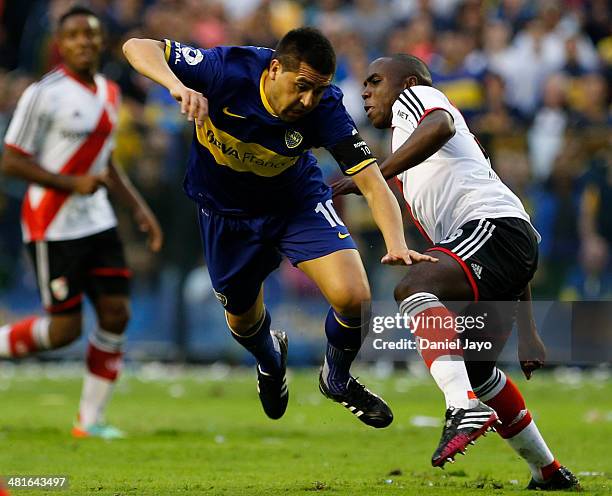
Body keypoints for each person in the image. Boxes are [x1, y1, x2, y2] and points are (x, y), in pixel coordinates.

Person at [122, 28, 435, 427]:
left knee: (354, 296)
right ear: (273, 69)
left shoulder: (325, 110)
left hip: (294, 205)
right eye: (301, 86)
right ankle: (270, 360)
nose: (307, 101)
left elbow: (373, 183)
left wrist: (396, 242)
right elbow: (137, 46)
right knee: (243, 322)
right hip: (226, 215)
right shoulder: (226, 71)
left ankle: (336, 378)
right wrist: (176, 86)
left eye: (317, 91)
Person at [334, 54, 579, 490]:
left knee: (413, 286)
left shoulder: (419, 98)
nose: (366, 91)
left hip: (494, 231)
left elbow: (441, 124)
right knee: (479, 369)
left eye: (375, 81)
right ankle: (548, 472)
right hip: (506, 243)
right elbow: (505, 228)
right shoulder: (417, 150)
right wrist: (527, 330)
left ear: (406, 81)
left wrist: (372, 176)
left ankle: (461, 406)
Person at [0, 6, 163, 439]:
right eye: (73, 35)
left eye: (90, 35)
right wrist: (70, 183)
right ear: (60, 42)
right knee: (62, 330)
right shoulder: (43, 93)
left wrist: (137, 207)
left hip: (98, 220)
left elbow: (105, 162)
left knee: (116, 313)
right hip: (52, 224)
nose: (83, 42)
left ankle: (89, 422)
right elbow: (12, 162)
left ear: (102, 41)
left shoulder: (110, 92)